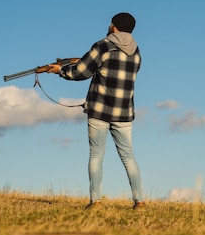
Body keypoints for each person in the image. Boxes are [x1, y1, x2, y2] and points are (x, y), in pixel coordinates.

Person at [47, 12, 145, 210]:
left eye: (111, 23)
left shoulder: (103, 45)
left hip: (99, 109)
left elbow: (80, 72)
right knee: (128, 156)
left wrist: (60, 70)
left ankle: (96, 201)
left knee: (96, 154)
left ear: (114, 26)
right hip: (124, 112)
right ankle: (140, 201)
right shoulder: (136, 52)